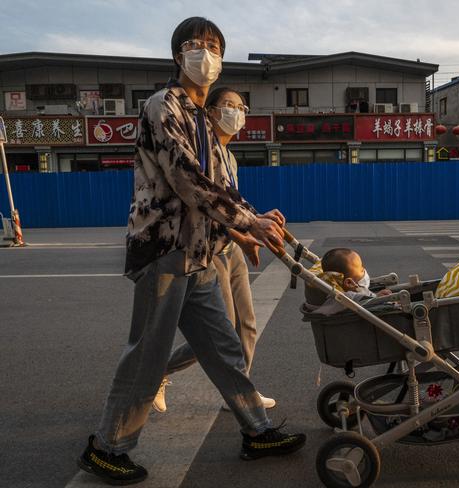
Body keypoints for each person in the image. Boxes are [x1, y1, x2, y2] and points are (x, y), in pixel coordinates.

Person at [77, 17, 305, 486]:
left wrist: (252, 225)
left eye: (214, 47)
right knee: (148, 354)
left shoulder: (204, 121)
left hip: (197, 255)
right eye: (195, 45)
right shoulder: (164, 107)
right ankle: (107, 448)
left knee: (223, 347)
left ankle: (256, 431)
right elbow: (186, 179)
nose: (206, 54)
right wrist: (248, 223)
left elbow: (222, 190)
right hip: (164, 249)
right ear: (178, 56)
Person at [153, 87, 276, 413]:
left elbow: (231, 205)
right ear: (210, 113)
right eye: (228, 105)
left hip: (229, 246)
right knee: (218, 333)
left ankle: (242, 391)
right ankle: (159, 370)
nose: (236, 113)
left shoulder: (228, 156)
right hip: (208, 249)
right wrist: (244, 232)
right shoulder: (200, 151)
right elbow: (206, 205)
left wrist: (248, 230)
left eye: (240, 107)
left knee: (246, 324)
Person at [304, 248, 391, 315]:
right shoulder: (347, 298)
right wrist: (378, 297)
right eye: (361, 269)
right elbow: (370, 301)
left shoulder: (325, 295)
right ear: (349, 283)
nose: (364, 270)